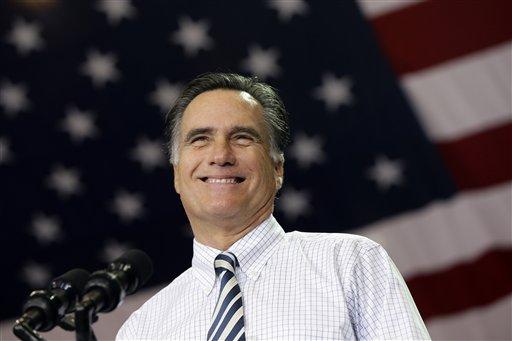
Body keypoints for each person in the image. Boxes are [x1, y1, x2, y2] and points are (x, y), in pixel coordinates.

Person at [116, 73, 430, 340]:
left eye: (241, 138)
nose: (220, 155)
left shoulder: (350, 263)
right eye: (200, 140)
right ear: (176, 175)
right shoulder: (143, 329)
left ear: (277, 168)